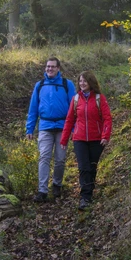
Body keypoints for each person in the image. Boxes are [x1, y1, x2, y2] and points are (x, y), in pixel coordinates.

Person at [26, 57, 76, 202]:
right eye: (48, 66)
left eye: (53, 67)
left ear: (58, 68)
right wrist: (30, 128)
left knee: (60, 159)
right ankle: (42, 191)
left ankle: (57, 185)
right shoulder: (40, 85)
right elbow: (33, 108)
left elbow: (73, 109)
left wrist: (73, 128)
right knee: (44, 158)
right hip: (45, 127)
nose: (50, 69)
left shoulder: (67, 84)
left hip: (63, 128)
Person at [60, 71, 112, 211]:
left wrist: (105, 136)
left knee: (92, 167)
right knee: (83, 167)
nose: (82, 83)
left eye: (85, 81)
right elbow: (70, 119)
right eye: (80, 81)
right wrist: (64, 139)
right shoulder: (76, 99)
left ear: (91, 82)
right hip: (79, 139)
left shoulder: (100, 98)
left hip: (96, 139)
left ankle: (89, 188)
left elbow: (107, 118)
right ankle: (85, 197)